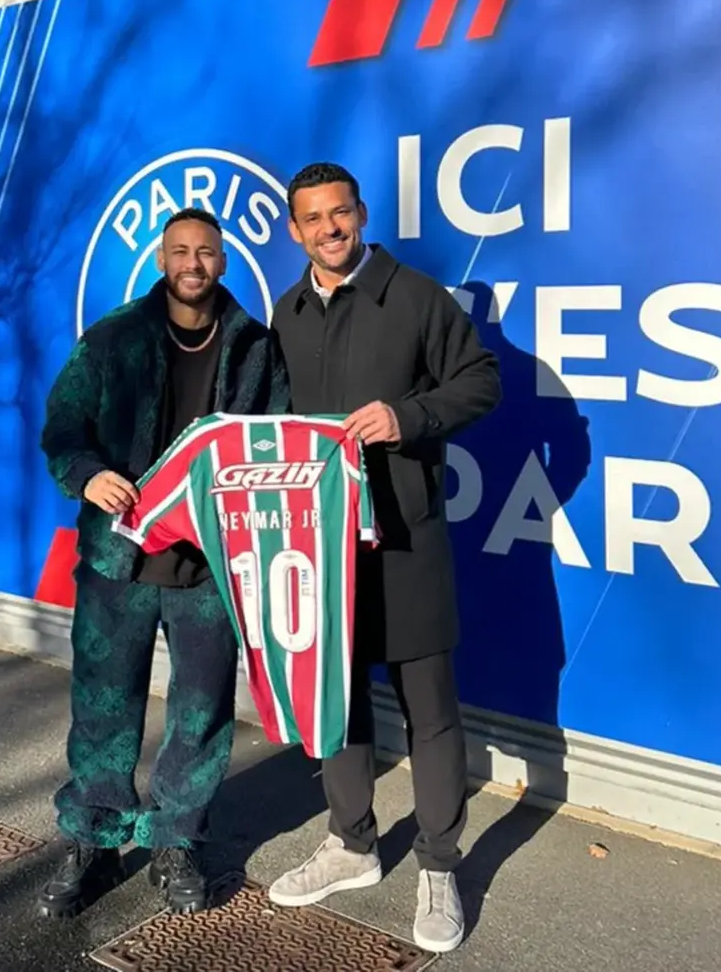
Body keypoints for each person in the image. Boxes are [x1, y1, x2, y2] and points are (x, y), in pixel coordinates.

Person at [266, 162, 501, 953]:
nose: (330, 229)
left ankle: (440, 863)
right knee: (337, 699)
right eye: (314, 219)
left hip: (405, 539)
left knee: (429, 708)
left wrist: (408, 418)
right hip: (320, 544)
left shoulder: (416, 295)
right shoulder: (287, 310)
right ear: (294, 231)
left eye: (342, 213)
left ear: (360, 214)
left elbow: (481, 382)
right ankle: (352, 842)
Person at [37, 206, 290, 919]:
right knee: (101, 710)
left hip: (209, 567)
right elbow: (63, 423)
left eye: (205, 252)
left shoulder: (256, 349)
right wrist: (86, 473)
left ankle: (178, 838)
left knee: (201, 712)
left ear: (223, 261)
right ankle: (94, 839)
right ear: (160, 259)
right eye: (179, 250)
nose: (192, 263)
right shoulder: (114, 338)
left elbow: (273, 451)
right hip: (118, 561)